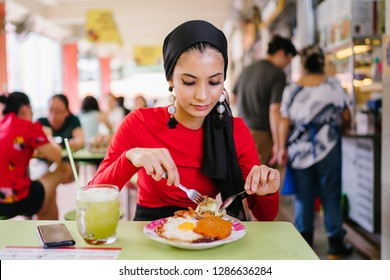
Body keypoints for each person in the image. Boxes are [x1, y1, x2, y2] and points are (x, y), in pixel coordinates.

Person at [89, 20, 280, 221]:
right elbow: (93, 195)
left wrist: (267, 190)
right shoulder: (139, 123)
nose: (203, 96)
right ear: (170, 79)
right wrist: (129, 158)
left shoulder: (235, 131)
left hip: (205, 235)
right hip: (148, 232)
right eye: (189, 82)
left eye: (214, 82)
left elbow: (264, 216)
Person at [277, 45, 352, 259]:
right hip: (328, 146)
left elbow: (284, 120)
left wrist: (282, 147)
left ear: (302, 64)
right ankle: (336, 244)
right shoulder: (334, 85)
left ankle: (304, 242)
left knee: (304, 195)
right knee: (331, 194)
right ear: (322, 63)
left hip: (299, 150)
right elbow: (346, 116)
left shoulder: (292, 89)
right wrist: (343, 129)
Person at [0, 91, 72, 220]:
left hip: (5, 198)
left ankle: (34, 216)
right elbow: (56, 156)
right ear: (25, 109)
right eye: (32, 111)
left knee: (47, 199)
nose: (32, 115)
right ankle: (48, 237)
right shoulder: (28, 127)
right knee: (64, 168)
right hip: (15, 201)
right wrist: (48, 135)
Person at [232, 35, 297, 166]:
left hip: (241, 132)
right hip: (262, 135)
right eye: (289, 58)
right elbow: (274, 110)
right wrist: (278, 145)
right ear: (281, 53)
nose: (289, 63)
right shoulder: (277, 74)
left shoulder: (247, 69)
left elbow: (233, 99)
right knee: (261, 179)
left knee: (245, 173)